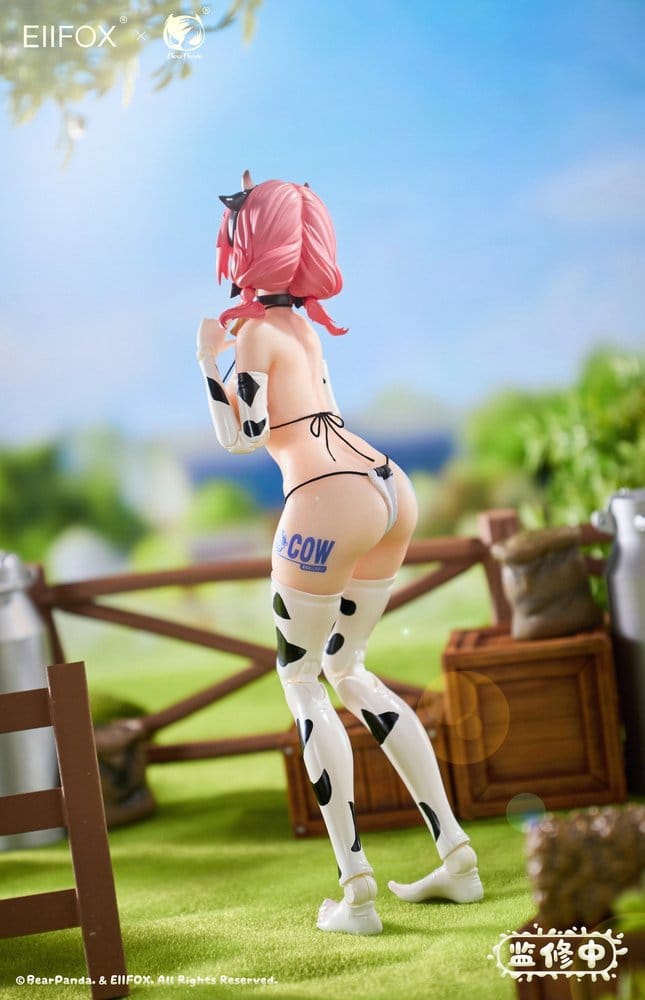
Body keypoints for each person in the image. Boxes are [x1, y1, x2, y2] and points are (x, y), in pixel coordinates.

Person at [197, 172, 483, 935]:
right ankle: (455, 855)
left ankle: (356, 892)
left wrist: (205, 362)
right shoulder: (302, 328)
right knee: (347, 668)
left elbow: (241, 437)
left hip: (326, 499)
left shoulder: (254, 334)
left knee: (301, 679)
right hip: (387, 484)